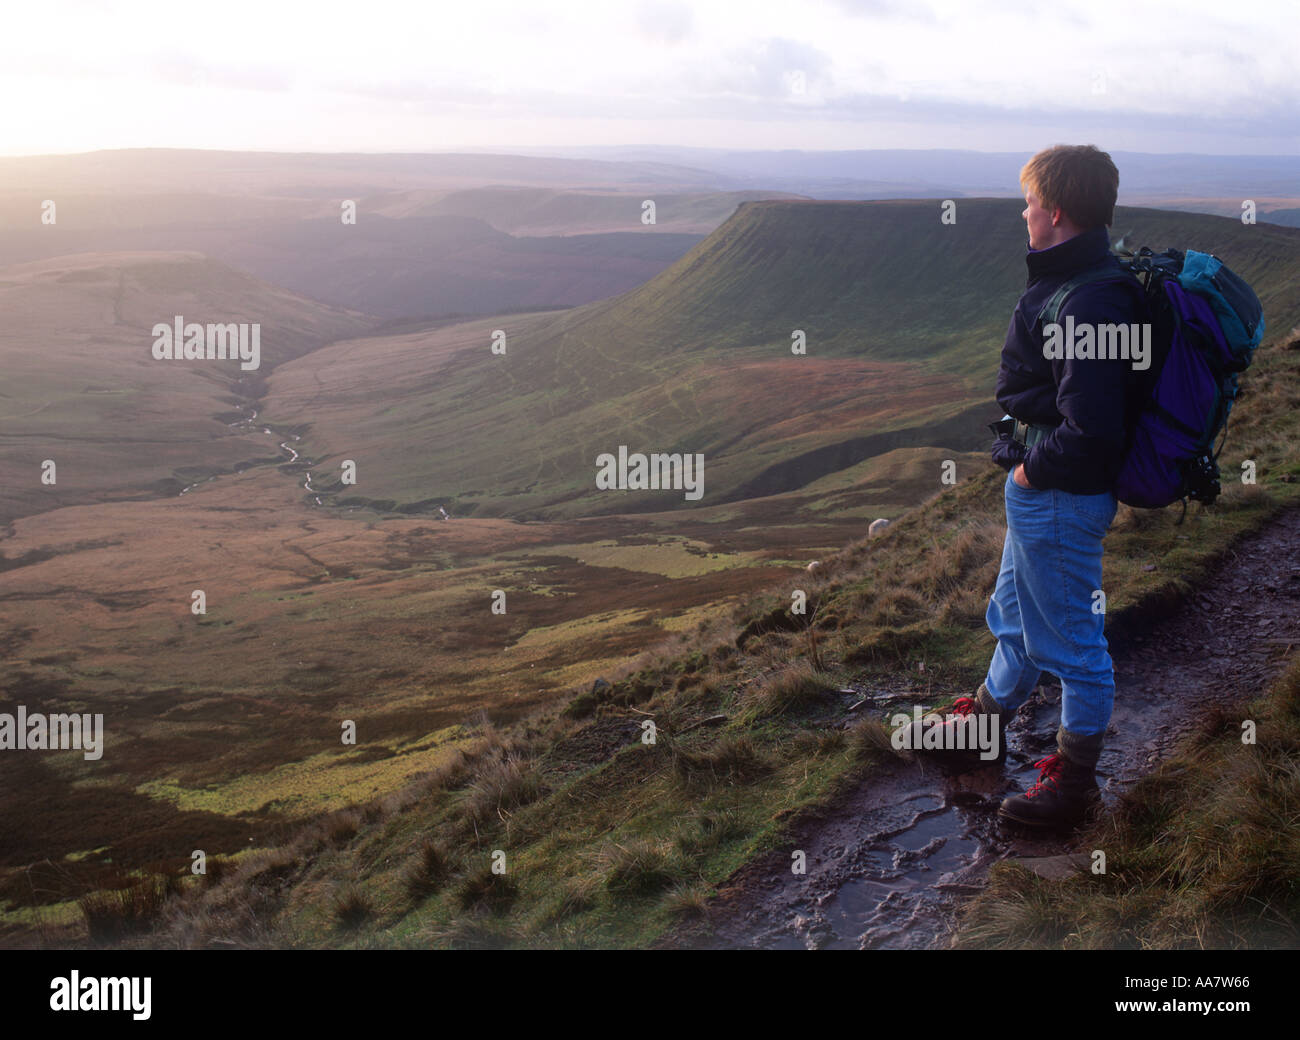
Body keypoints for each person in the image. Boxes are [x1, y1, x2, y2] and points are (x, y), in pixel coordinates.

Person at [907, 144, 1150, 828]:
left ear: (1058, 212)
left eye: (1032, 203)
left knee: (1074, 643)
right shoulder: (1083, 281)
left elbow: (1093, 428)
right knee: (1016, 616)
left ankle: (1075, 789)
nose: (1024, 213)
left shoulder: (1091, 301)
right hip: (1047, 492)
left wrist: (1029, 470)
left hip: (1060, 495)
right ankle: (983, 730)